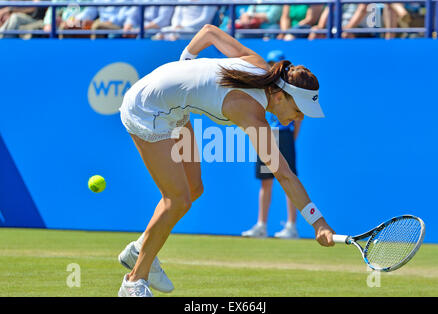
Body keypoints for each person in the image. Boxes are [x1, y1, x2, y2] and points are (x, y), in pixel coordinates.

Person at [117, 24, 335, 297]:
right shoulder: (251, 112)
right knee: (177, 199)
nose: (300, 118)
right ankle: (135, 281)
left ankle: (140, 250)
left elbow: (209, 32)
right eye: (299, 110)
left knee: (194, 189)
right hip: (147, 107)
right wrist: (318, 222)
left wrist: (186, 63)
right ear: (279, 97)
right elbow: (285, 175)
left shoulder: (259, 65)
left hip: (173, 107)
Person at [242, 50, 302, 239]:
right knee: (265, 182)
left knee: (289, 181)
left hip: (284, 135)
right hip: (266, 135)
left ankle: (292, 226)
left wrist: (290, 138)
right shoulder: (264, 87)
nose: (271, 67)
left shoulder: (290, 90)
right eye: (270, 64)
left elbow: (298, 117)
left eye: (275, 64)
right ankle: (261, 225)